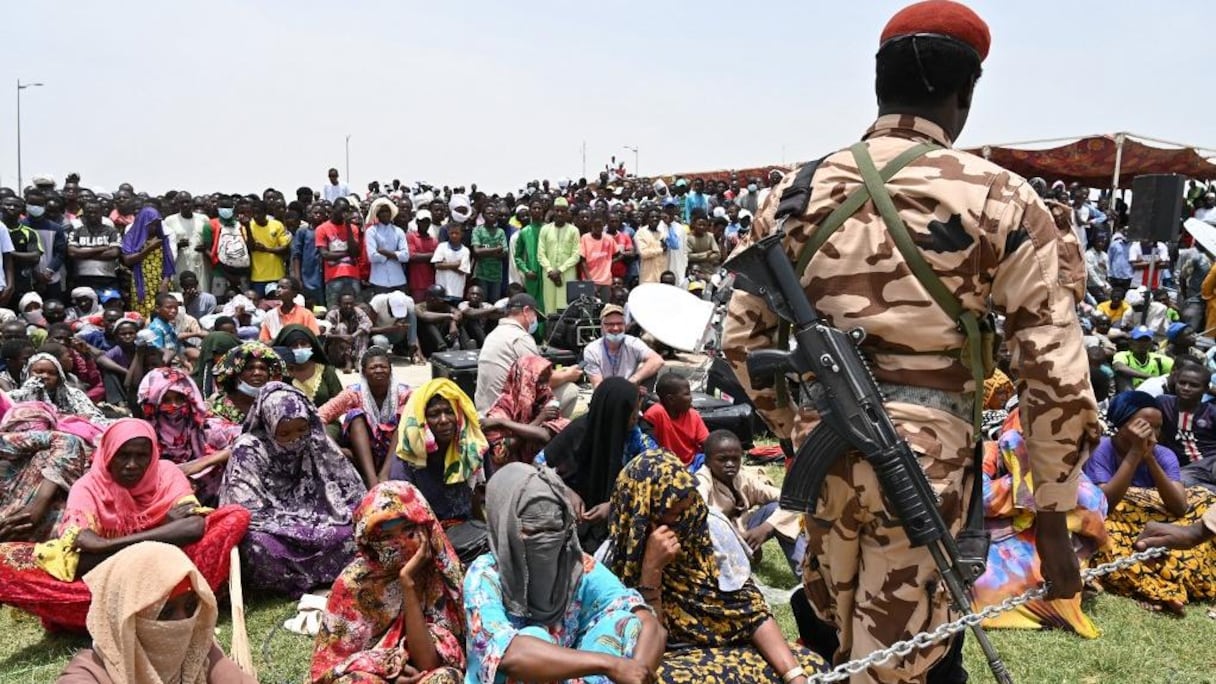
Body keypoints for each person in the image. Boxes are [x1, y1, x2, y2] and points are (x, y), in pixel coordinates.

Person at [721, 3, 1097, 679]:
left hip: (825, 452)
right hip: (932, 459)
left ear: (877, 85)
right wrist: (1053, 517)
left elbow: (742, 340)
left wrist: (803, 418)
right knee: (895, 664)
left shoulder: (792, 194)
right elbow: (1055, 374)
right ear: (965, 94)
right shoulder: (999, 198)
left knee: (846, 647)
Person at [0, 419, 251, 631]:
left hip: (168, 573)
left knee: (233, 516)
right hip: (109, 586)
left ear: (152, 454)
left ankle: (150, 610)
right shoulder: (88, 487)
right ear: (108, 453)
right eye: (123, 455)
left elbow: (193, 527)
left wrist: (106, 545)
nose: (132, 465)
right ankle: (150, 610)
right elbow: (80, 557)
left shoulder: (166, 473)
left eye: (141, 456)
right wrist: (164, 529)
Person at [605, 449, 824, 681]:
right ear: (644, 517)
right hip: (668, 657)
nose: (689, 518)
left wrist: (793, 675)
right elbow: (645, 653)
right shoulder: (618, 560)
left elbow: (751, 611)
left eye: (690, 506)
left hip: (732, 645)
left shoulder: (710, 528)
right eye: (676, 514)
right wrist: (651, 573)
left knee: (813, 666)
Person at [464, 462, 664, 684]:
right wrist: (610, 665)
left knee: (626, 623)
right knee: (534, 638)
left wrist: (638, 671)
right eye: (533, 531)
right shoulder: (486, 575)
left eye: (555, 530)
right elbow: (511, 656)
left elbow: (649, 623)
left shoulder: (574, 565)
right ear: (506, 526)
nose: (547, 541)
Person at [218, 382, 366, 597]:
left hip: (323, 523)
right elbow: (246, 511)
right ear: (268, 426)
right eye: (285, 433)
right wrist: (301, 530)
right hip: (276, 530)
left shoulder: (317, 441)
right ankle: (301, 583)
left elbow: (353, 493)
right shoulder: (249, 449)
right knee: (256, 546)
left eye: (301, 430)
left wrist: (343, 521)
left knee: (356, 534)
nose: (295, 439)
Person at [970, 412, 1109, 637]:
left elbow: (1095, 503)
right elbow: (978, 499)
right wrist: (1024, 480)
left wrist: (1043, 482)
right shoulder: (990, 452)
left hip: (1042, 547)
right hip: (992, 545)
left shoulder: (1058, 464)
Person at [311, 482, 466, 684]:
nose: (401, 543)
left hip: (425, 677)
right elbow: (329, 670)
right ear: (368, 540)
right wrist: (387, 670)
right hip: (377, 679)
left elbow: (429, 664)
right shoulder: (354, 583)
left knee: (447, 678)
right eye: (386, 537)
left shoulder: (441, 576)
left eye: (409, 530)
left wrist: (407, 582)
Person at [1085, 391, 1216, 613]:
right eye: (1144, 427)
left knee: (1206, 501)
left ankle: (1173, 582)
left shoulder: (1163, 454)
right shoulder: (1102, 449)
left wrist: (1149, 458)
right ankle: (1157, 588)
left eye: (1157, 427)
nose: (1152, 434)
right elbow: (1105, 504)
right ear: (1121, 423)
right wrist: (1135, 454)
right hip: (1120, 519)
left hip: (1158, 517)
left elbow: (1179, 506)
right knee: (1105, 537)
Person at [56, 541, 256, 684]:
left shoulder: (197, 650)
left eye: (190, 607)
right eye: (165, 612)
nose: (183, 622)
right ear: (125, 619)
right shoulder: (90, 675)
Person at [537, 378, 657, 549]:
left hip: (618, 519)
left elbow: (656, 477)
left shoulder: (634, 438)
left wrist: (614, 504)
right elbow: (537, 465)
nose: (638, 416)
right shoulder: (579, 430)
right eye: (634, 410)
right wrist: (566, 491)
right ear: (616, 412)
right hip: (575, 517)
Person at [694, 430, 805, 573]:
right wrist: (736, 537)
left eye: (735, 459)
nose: (730, 464)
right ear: (708, 460)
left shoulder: (742, 478)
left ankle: (805, 575)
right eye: (722, 459)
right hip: (717, 543)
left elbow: (790, 499)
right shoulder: (702, 481)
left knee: (776, 508)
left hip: (745, 532)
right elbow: (699, 517)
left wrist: (766, 528)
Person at [137, 367, 241, 505]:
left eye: (179, 399)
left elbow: (249, 441)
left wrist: (202, 463)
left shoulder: (204, 427)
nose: (174, 406)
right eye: (166, 400)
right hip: (164, 506)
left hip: (214, 501)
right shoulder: (142, 437)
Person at [390, 379, 486, 527]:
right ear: (421, 420)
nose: (444, 420)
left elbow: (475, 498)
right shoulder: (407, 463)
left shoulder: (468, 449)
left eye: (449, 412)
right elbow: (406, 520)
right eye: (434, 414)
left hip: (467, 532)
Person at [473, 293, 581, 415]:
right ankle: (548, 431)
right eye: (535, 315)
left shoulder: (494, 334)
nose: (534, 322)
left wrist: (562, 373)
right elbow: (543, 381)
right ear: (526, 311)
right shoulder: (519, 337)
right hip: (506, 414)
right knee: (570, 390)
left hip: (486, 410)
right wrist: (569, 375)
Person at [319, 347, 412, 487]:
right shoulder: (354, 393)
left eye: (383, 367)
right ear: (364, 372)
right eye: (373, 367)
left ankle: (384, 474)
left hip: (394, 453)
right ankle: (372, 480)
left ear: (390, 370)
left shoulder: (404, 393)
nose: (379, 370)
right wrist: (335, 447)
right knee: (355, 416)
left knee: (406, 415)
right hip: (363, 454)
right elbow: (319, 416)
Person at [0, 402, 89, 543]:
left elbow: (68, 441)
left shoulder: (45, 457)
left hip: (43, 536)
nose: (25, 435)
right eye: (20, 431)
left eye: (28, 433)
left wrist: (38, 504)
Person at [482, 354, 569, 474]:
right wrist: (538, 421)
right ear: (525, 381)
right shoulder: (501, 410)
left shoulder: (544, 401)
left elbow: (545, 435)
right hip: (508, 474)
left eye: (546, 381)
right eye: (538, 382)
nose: (544, 388)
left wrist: (504, 424)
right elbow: (501, 454)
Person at [10, 351, 106, 425]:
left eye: (51, 373)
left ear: (59, 377)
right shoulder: (15, 397)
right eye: (39, 371)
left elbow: (95, 418)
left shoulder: (74, 395)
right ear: (28, 373)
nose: (45, 376)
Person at [582, 304, 663, 389]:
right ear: (602, 327)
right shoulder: (592, 350)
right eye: (610, 324)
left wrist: (634, 380)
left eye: (619, 323)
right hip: (606, 392)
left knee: (650, 371)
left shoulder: (633, 342)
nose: (616, 328)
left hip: (630, 388)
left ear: (625, 325)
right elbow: (598, 385)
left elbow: (658, 360)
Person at [205, 341, 287, 423]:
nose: (257, 373)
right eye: (250, 368)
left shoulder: (276, 406)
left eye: (262, 368)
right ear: (236, 374)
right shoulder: (217, 409)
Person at [643, 374, 708, 466]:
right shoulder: (656, 413)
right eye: (687, 394)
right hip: (666, 465)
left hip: (693, 463)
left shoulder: (693, 414)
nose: (691, 398)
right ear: (671, 399)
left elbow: (706, 443)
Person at [121, 207, 175, 320]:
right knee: (142, 316)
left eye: (156, 224)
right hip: (141, 284)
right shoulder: (131, 237)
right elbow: (128, 260)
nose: (154, 228)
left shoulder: (162, 239)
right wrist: (149, 248)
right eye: (150, 225)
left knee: (163, 314)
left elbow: (168, 264)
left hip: (160, 283)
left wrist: (165, 283)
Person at [273, 323, 342, 408]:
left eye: (303, 344)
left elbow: (341, 401)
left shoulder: (325, 371)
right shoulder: (278, 374)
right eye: (294, 345)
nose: (299, 348)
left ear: (311, 345)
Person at [317, 198, 365, 307]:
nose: (345, 214)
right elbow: (325, 254)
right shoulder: (322, 229)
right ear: (333, 209)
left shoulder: (353, 228)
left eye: (347, 211)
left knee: (356, 309)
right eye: (342, 210)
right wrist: (346, 253)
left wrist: (347, 226)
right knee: (334, 309)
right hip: (333, 277)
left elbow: (355, 253)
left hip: (352, 276)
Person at [66, 199, 122, 293]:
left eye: (95, 212)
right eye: (89, 212)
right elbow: (72, 253)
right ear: (84, 213)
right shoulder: (76, 231)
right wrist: (101, 248)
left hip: (107, 279)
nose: (92, 215)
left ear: (101, 213)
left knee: (110, 306)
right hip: (82, 279)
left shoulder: (112, 231)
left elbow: (114, 253)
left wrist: (83, 254)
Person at [537, 198, 580, 312]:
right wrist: (551, 270)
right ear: (553, 211)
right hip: (549, 275)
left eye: (563, 211)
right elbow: (541, 254)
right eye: (557, 210)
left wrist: (560, 270)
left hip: (567, 274)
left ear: (567, 212)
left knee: (566, 308)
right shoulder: (545, 229)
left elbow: (576, 255)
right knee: (550, 309)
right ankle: (550, 330)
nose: (560, 213)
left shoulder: (573, 230)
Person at [162, 191, 211, 293]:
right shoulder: (170, 220)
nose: (185, 205)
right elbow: (165, 245)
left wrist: (204, 248)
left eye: (187, 202)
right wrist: (178, 245)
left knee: (202, 291)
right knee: (181, 293)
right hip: (180, 262)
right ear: (177, 204)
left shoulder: (203, 219)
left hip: (200, 263)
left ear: (192, 202)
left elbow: (210, 240)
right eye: (181, 202)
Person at [364, 197, 412, 297]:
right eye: (382, 211)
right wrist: (395, 255)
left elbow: (406, 256)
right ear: (377, 214)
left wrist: (385, 252)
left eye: (387, 211)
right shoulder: (371, 231)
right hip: (379, 280)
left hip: (398, 279)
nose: (385, 214)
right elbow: (372, 256)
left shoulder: (398, 231)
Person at [247, 200, 292, 296]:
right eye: (253, 213)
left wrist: (266, 249)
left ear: (265, 212)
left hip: (277, 275)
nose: (256, 216)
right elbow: (250, 247)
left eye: (258, 213)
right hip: (258, 277)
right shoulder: (248, 226)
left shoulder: (277, 225)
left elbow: (285, 248)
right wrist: (247, 227)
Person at [1113, 325, 1174, 391]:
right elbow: (1118, 367)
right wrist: (1151, 377)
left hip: (1152, 395)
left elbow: (1177, 369)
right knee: (1123, 377)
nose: (1143, 344)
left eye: (1146, 340)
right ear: (1130, 342)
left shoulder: (1158, 359)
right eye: (1139, 340)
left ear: (1151, 343)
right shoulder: (1124, 355)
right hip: (1131, 394)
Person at [325, 290, 373, 372]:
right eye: (345, 304)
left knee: (362, 331)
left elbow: (368, 324)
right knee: (341, 327)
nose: (349, 306)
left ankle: (359, 361)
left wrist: (353, 336)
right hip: (337, 353)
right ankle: (348, 361)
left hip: (355, 349)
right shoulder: (332, 314)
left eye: (351, 303)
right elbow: (325, 334)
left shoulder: (358, 311)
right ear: (339, 304)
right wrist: (341, 337)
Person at [258, 276, 319, 342]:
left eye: (283, 288)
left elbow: (314, 337)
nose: (279, 290)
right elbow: (264, 340)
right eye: (278, 287)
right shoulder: (270, 315)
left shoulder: (306, 314)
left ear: (294, 293)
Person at [512, 202, 545, 309]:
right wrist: (526, 271)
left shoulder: (548, 229)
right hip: (532, 275)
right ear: (530, 211)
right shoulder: (524, 232)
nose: (537, 210)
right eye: (534, 208)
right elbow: (517, 256)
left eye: (539, 208)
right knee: (533, 306)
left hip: (547, 274)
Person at [190, 330, 241, 399]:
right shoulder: (191, 386)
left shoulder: (244, 379)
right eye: (220, 353)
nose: (225, 357)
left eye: (229, 353)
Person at [472, 205, 508, 302]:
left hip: (496, 275)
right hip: (481, 274)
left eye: (494, 213)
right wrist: (496, 249)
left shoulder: (500, 232)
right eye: (488, 213)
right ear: (483, 215)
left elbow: (504, 253)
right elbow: (477, 251)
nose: (491, 215)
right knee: (481, 303)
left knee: (494, 303)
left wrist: (485, 250)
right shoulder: (477, 230)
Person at [292, 202, 325, 306]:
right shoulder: (303, 231)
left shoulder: (326, 229)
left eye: (321, 213)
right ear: (309, 214)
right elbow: (297, 255)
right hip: (307, 274)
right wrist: (297, 277)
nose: (318, 215)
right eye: (315, 213)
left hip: (323, 274)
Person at [579, 212, 618, 299]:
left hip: (605, 281)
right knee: (589, 308)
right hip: (589, 280)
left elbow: (618, 254)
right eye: (595, 226)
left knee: (604, 308)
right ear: (591, 225)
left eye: (600, 226)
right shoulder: (585, 238)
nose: (598, 228)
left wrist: (609, 262)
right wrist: (590, 282)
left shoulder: (609, 238)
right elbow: (583, 262)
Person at [431, 223, 472, 302]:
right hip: (441, 289)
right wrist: (455, 264)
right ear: (448, 233)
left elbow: (463, 271)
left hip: (457, 291)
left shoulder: (465, 250)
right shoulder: (442, 246)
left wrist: (445, 264)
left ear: (462, 234)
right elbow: (437, 265)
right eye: (451, 233)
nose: (454, 235)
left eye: (457, 233)